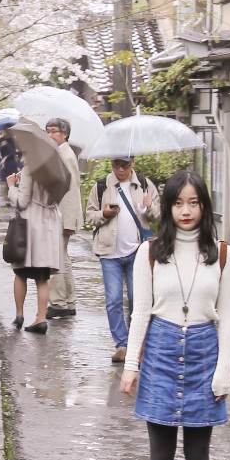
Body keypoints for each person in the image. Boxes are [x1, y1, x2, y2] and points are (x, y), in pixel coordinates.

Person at [121, 169, 230, 460]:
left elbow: (226, 320)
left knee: (199, 454)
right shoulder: (149, 252)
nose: (186, 210)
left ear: (204, 206)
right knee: (161, 453)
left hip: (205, 349)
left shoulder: (222, 254)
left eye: (194, 202)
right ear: (167, 207)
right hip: (161, 352)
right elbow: (139, 313)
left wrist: (224, 371)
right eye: (178, 202)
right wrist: (131, 364)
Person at [87, 154, 160, 363]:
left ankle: (136, 344)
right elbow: (90, 215)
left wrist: (149, 207)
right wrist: (105, 214)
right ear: (111, 164)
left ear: (133, 163)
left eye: (125, 165)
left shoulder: (145, 185)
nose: (120, 169)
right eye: (116, 165)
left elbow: (160, 215)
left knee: (138, 300)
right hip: (109, 252)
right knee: (113, 300)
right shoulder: (101, 186)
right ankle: (122, 344)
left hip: (138, 251)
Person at [6, 159, 62, 334]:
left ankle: (19, 315)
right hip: (49, 225)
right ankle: (41, 318)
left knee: (20, 272)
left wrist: (11, 186)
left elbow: (22, 201)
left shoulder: (31, 168)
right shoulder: (57, 169)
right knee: (42, 277)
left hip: (31, 225)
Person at [45, 118, 83, 320]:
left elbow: (71, 192)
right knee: (63, 258)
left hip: (61, 217)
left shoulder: (65, 156)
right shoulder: (61, 154)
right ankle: (69, 302)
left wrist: (68, 222)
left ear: (65, 134)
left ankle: (59, 303)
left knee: (56, 259)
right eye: (48, 131)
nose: (50, 135)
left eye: (54, 132)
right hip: (59, 216)